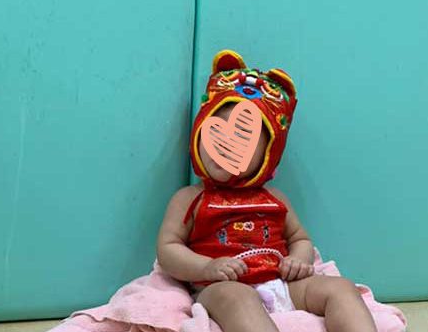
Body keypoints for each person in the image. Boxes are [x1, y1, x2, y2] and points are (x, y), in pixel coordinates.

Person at [156, 50, 377, 332]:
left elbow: (300, 238)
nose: (226, 145)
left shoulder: (275, 199)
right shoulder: (190, 199)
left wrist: (298, 259)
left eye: (242, 137)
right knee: (238, 297)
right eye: (216, 132)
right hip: (221, 287)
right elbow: (168, 248)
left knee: (342, 289)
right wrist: (205, 268)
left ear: (266, 155)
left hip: (282, 283)